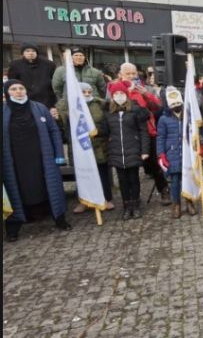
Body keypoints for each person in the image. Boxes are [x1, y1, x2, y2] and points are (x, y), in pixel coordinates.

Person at [3, 79, 71, 241]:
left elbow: (54, 131)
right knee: (16, 190)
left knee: (50, 188)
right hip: (14, 161)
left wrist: (59, 154)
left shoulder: (39, 108)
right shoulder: (3, 111)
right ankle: (13, 228)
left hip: (42, 158)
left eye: (21, 88)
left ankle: (60, 220)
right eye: (14, 89)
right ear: (7, 92)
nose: (18, 91)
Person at [54, 82, 115, 212]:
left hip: (98, 145)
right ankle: (84, 201)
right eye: (83, 92)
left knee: (102, 173)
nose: (87, 94)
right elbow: (62, 124)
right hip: (79, 147)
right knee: (82, 175)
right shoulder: (68, 106)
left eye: (89, 91)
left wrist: (95, 131)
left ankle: (106, 198)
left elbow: (106, 124)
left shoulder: (100, 104)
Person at [117, 63, 170, 206]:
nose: (131, 76)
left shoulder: (145, 88)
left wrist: (145, 95)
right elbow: (114, 107)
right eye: (128, 74)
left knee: (154, 164)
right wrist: (128, 92)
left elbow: (157, 106)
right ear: (121, 75)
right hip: (128, 133)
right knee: (131, 167)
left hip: (148, 131)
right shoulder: (117, 89)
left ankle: (164, 190)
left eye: (133, 73)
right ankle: (133, 198)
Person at [106, 81, 151, 220]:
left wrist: (145, 150)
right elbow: (105, 131)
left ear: (126, 95)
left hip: (133, 150)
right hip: (117, 152)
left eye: (121, 93)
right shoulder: (109, 113)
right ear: (112, 96)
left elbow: (143, 131)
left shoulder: (135, 110)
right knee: (122, 181)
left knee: (134, 179)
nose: (119, 96)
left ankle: (136, 205)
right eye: (116, 94)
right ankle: (127, 206)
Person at [157, 88, 196, 219]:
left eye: (178, 103)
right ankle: (176, 204)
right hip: (172, 153)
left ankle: (189, 201)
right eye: (173, 104)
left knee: (188, 179)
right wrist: (161, 154)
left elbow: (195, 133)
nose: (176, 106)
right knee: (175, 181)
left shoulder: (188, 115)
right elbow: (160, 137)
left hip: (186, 153)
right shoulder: (163, 119)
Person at [7, 43, 57, 109]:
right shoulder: (15, 65)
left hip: (47, 99)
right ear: (23, 53)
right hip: (25, 99)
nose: (31, 53)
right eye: (27, 51)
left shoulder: (49, 64)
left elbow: (54, 82)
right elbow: (12, 83)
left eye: (33, 51)